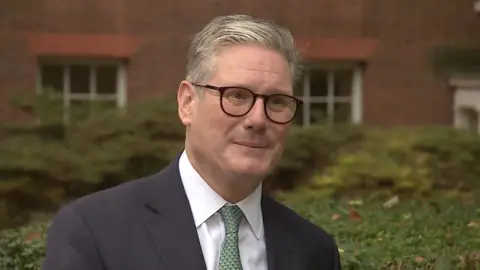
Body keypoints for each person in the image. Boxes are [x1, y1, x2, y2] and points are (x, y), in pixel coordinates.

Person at [42, 14, 342, 270]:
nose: (258, 119)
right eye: (237, 96)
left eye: (277, 101)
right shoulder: (93, 231)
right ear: (187, 103)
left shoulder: (313, 251)